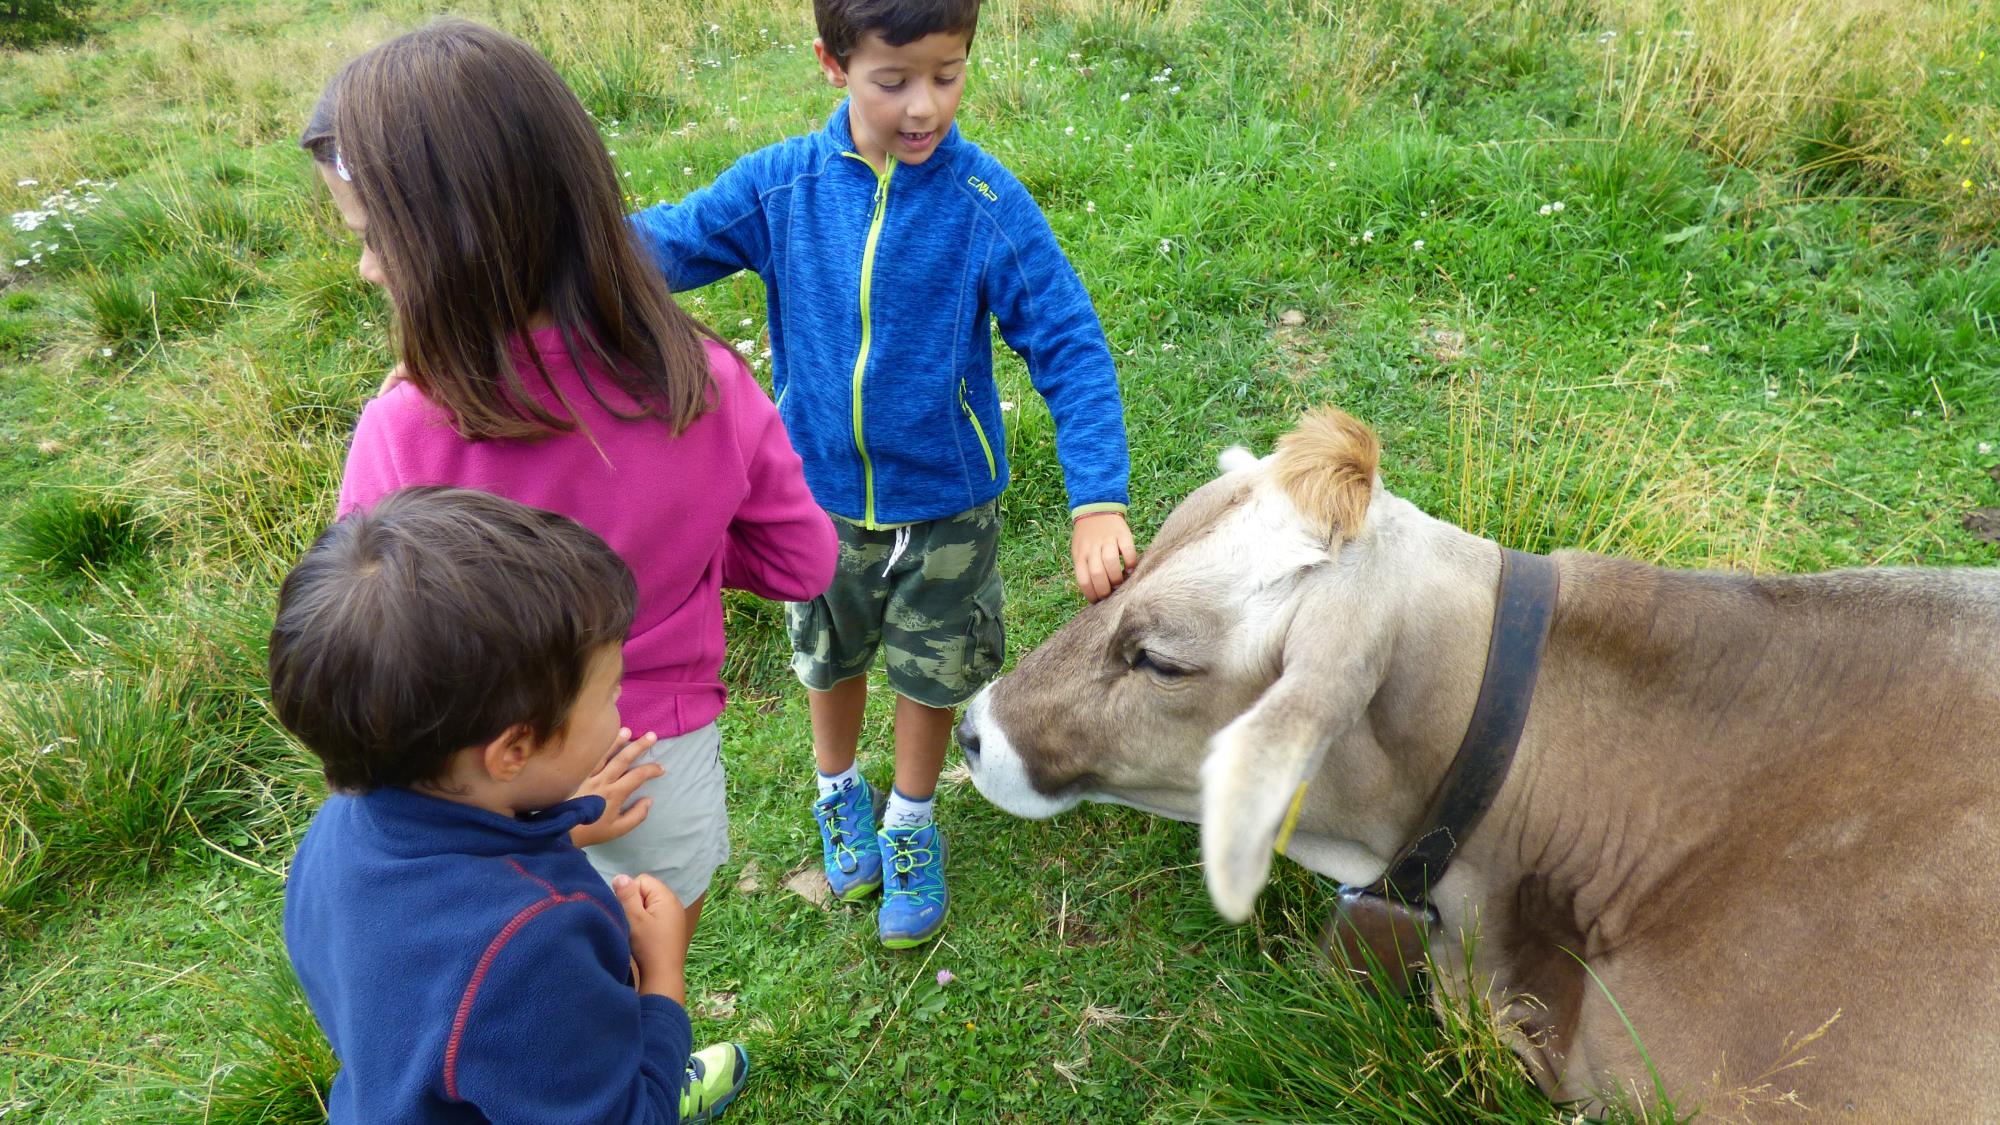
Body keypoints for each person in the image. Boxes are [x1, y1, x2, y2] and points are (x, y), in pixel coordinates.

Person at [299, 19, 837, 964]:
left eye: (376, 238)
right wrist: (687, 549)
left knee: (522, 977)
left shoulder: (405, 428)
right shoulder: (704, 381)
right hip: (657, 759)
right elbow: (804, 561)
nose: (366, 265)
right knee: (650, 962)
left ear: (453, 240)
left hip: (481, 786)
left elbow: (372, 646)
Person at [631, 0, 1137, 950]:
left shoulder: (986, 205)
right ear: (833, 64)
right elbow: (667, 242)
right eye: (894, 80)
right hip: (815, 503)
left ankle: (910, 818)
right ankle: (838, 793)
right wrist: (552, 251)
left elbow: (1069, 341)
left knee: (932, 669)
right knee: (828, 656)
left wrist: (1097, 497)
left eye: (948, 74)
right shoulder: (781, 187)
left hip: (950, 507)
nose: (925, 106)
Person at [273, 487, 748, 1122]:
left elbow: (448, 904)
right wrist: (663, 981)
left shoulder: (340, 828)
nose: (618, 707)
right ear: (513, 751)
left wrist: (566, 825)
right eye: (610, 692)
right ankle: (654, 1076)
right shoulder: (534, 949)